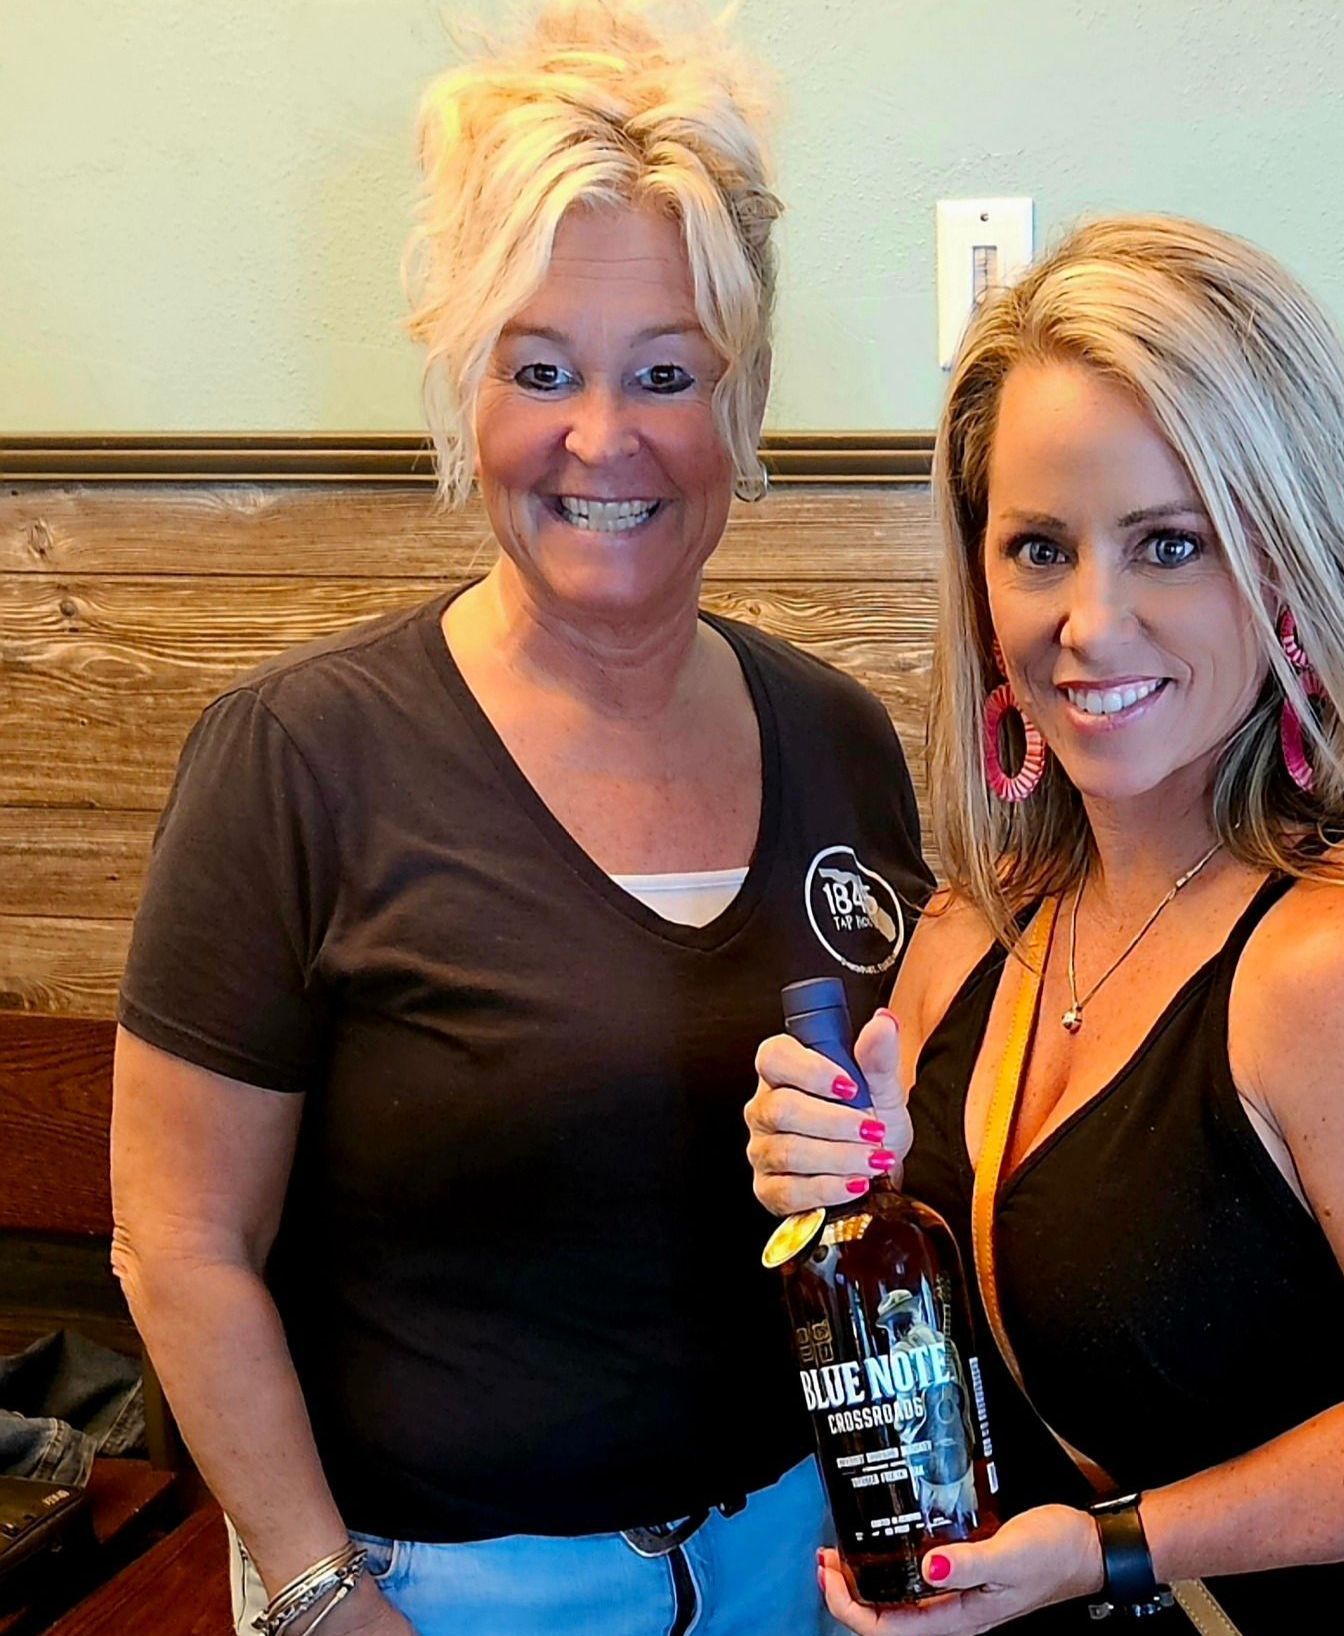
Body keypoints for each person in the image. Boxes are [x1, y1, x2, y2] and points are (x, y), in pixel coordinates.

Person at [108, 5, 929, 1635]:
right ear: (462, 387)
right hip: (434, 1590)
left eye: (666, 374)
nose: (601, 437)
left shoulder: (839, 737)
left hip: (795, 1562)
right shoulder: (298, 758)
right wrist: (324, 1596)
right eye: (539, 369)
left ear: (742, 395)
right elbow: (180, 1243)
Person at [745, 215, 1344, 1634]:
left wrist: (1112, 1548)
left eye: (1169, 543)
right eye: (1038, 546)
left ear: (1289, 565)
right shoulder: (972, 931)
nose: (1089, 622)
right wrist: (842, 1192)